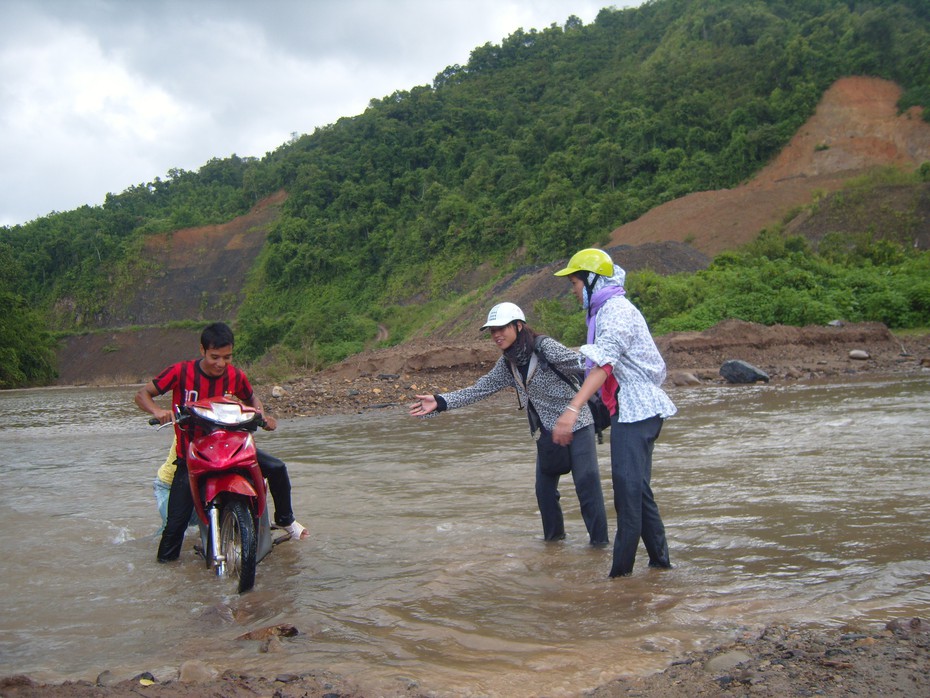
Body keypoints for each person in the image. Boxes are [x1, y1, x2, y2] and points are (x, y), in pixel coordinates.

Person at [410, 302, 609, 546]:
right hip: (546, 430)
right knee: (544, 493)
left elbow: (584, 365)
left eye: (501, 328)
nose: (496, 335)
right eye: (492, 330)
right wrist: (440, 402)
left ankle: (599, 548)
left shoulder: (545, 348)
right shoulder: (508, 363)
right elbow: (480, 389)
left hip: (578, 422)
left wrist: (608, 360)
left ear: (518, 325)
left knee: (587, 488)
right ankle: (553, 548)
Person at [135, 322, 308, 563]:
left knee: (277, 468)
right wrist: (157, 411)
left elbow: (252, 398)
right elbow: (143, 394)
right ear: (202, 351)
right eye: (215, 357)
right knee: (174, 527)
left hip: (231, 451)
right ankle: (168, 579)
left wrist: (262, 416)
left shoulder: (236, 376)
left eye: (227, 357)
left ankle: (286, 520)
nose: (221, 364)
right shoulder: (180, 372)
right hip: (192, 457)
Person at [552, 248, 677, 578]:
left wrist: (573, 408)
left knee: (627, 497)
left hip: (637, 411)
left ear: (593, 280)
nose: (573, 289)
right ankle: (660, 567)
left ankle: (619, 580)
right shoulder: (603, 312)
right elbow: (595, 360)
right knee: (638, 491)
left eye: (576, 281)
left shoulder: (615, 310)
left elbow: (604, 364)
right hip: (632, 410)